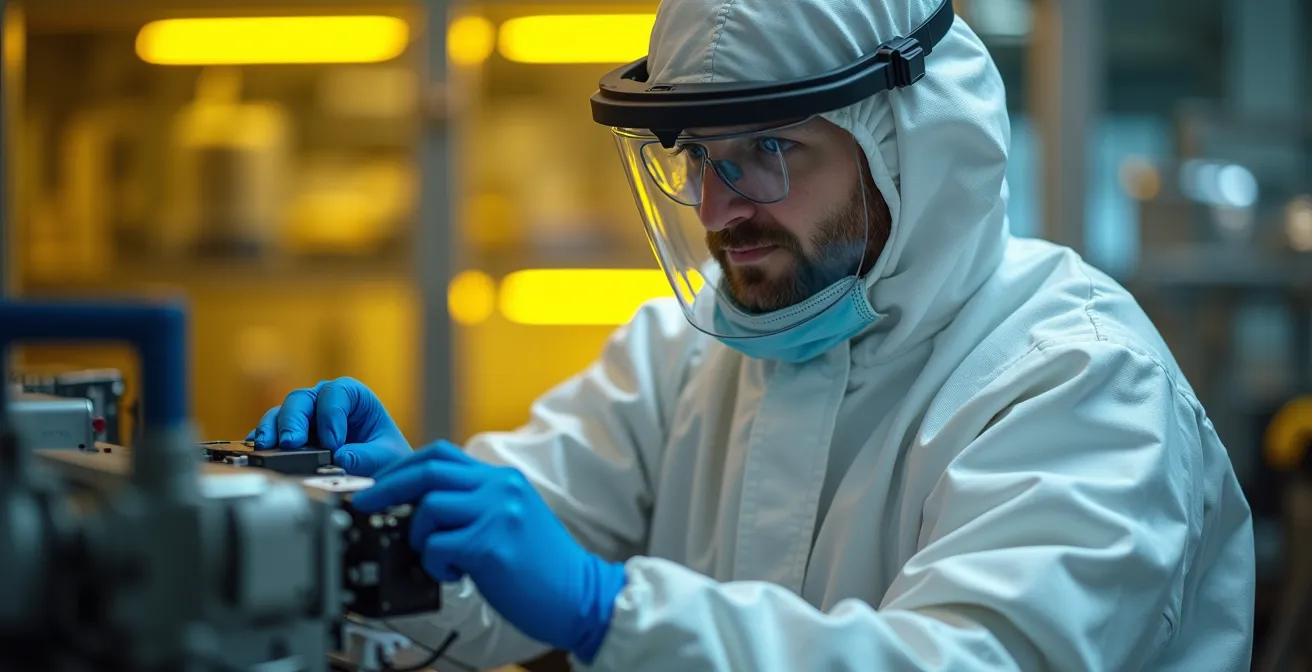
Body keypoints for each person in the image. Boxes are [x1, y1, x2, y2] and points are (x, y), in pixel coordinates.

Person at [251, 0, 1256, 668]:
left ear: (908, 147)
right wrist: (383, 529)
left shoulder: (1074, 378)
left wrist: (611, 611)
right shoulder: (681, 356)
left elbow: (967, 659)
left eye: (769, 150)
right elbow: (505, 580)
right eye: (697, 156)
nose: (717, 207)